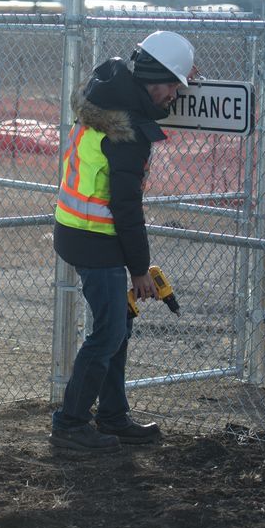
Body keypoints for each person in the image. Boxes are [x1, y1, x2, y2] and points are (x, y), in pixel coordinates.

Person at [50, 30, 196, 453]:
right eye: (172, 85)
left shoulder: (106, 100)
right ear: (151, 77)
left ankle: (113, 416)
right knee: (108, 333)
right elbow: (127, 210)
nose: (174, 95)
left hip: (78, 231)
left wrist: (133, 266)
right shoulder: (126, 133)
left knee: (118, 327)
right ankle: (71, 424)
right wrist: (138, 270)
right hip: (96, 240)